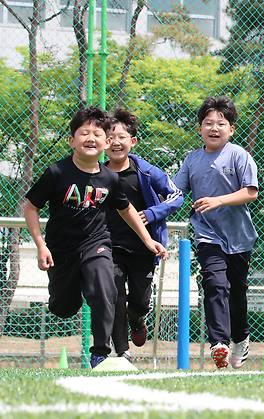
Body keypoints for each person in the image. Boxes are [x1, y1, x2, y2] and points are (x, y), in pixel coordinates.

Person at [22, 107, 167, 368]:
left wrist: (148, 240)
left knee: (105, 288)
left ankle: (100, 352)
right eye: (83, 133)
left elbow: (126, 209)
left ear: (106, 142)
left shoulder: (109, 178)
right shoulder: (57, 173)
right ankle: (72, 291)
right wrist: (40, 245)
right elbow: (30, 206)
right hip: (61, 250)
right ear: (72, 141)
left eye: (96, 133)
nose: (90, 138)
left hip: (96, 244)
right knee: (63, 308)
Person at [174, 96, 259, 370]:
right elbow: (176, 192)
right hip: (207, 234)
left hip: (239, 236)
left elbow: (250, 192)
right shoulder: (192, 159)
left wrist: (218, 200)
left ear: (231, 129)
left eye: (220, 123)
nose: (214, 128)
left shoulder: (239, 156)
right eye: (208, 123)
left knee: (237, 292)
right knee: (215, 283)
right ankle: (219, 343)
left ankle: (241, 338)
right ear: (200, 128)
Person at [105, 108, 183, 362]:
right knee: (114, 295)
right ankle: (121, 351)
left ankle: (137, 318)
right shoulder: (96, 173)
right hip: (108, 247)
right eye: (110, 137)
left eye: (121, 137)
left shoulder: (147, 172)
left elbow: (177, 196)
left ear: (132, 141)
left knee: (138, 300)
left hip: (143, 247)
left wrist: (152, 213)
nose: (115, 142)